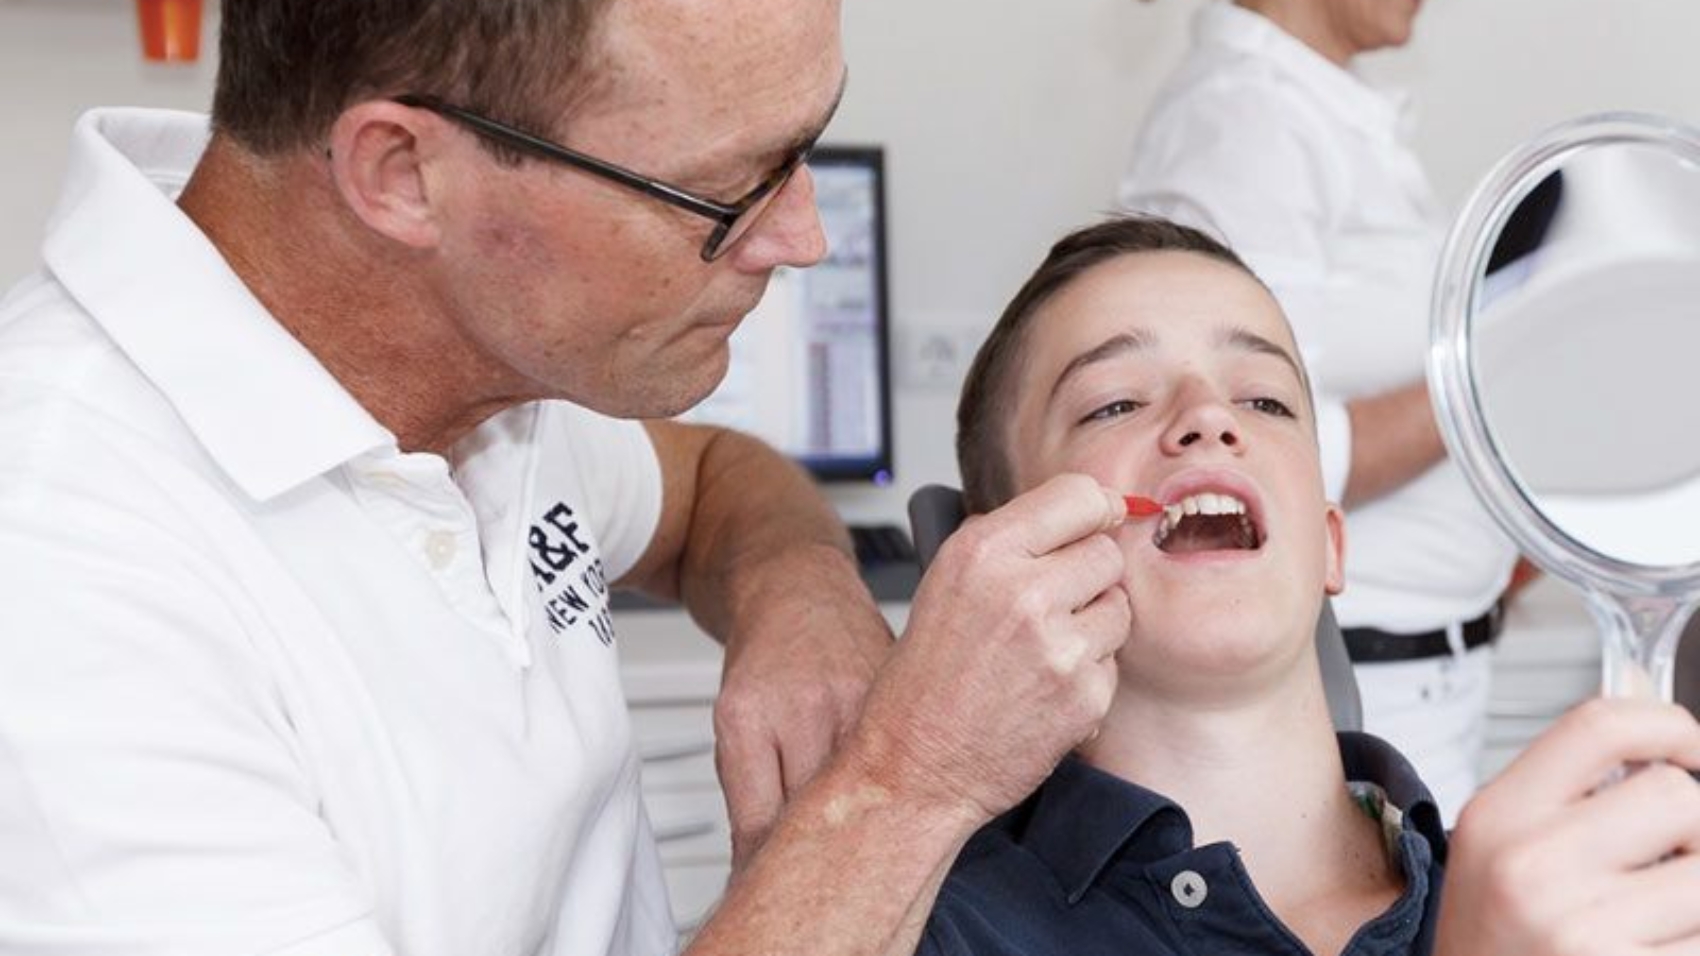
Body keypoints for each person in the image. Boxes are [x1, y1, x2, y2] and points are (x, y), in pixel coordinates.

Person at [0, 1, 1139, 953]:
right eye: (731, 188)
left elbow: (712, 488)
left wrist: (804, 602)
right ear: (401, 174)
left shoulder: (476, 372)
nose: (802, 238)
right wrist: (910, 779)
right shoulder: (66, 584)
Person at [917, 215, 1700, 956]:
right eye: (1114, 403)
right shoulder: (935, 929)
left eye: (1264, 400)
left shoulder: (1548, 911)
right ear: (998, 568)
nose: (1208, 419)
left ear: (1329, 546)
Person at [1117, 0, 1516, 821]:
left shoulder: (1322, 113)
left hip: (1429, 680)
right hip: (1359, 695)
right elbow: (1247, 441)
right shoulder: (1245, 125)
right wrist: (1493, 373)